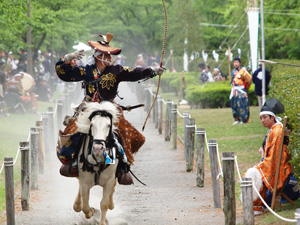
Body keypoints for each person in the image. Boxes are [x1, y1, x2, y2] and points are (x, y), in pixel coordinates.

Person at [55, 33, 164, 180]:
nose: (110, 59)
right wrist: (66, 59)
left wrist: (152, 71)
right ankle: (72, 162)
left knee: (125, 130)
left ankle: (123, 166)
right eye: (107, 56)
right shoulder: (86, 71)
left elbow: (133, 72)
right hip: (89, 107)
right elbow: (66, 74)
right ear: (99, 56)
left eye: (111, 56)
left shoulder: (116, 70)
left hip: (110, 108)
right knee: (74, 129)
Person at [244, 98, 299, 215]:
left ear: (272, 117)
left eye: (265, 117)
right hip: (272, 164)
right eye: (261, 118)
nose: (262, 120)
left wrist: (261, 165)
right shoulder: (273, 129)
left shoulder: (277, 131)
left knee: (254, 173)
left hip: (279, 168)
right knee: (252, 173)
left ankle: (257, 207)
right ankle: (255, 205)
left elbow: (275, 156)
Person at [229, 57, 252, 124]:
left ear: (240, 63)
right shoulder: (233, 71)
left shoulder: (243, 70)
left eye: (237, 62)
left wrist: (243, 78)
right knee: (234, 104)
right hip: (235, 89)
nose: (236, 64)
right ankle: (236, 119)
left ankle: (244, 119)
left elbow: (249, 79)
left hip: (241, 89)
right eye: (234, 62)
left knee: (242, 104)